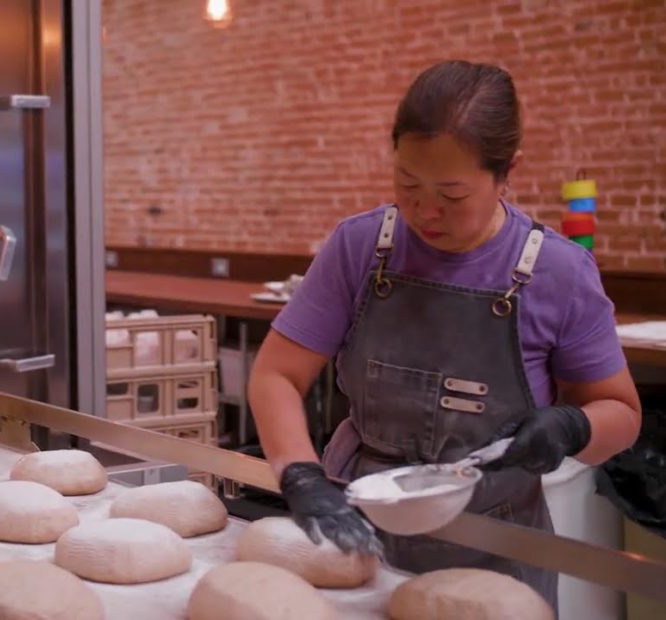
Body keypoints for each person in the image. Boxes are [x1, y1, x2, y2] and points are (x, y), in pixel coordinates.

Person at [247, 59, 641, 610]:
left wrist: (572, 426)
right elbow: (276, 375)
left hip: (499, 551)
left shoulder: (558, 273)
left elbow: (621, 416)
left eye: (452, 194)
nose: (424, 210)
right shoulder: (361, 248)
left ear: (507, 173)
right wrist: (301, 473)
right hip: (360, 535)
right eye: (407, 182)